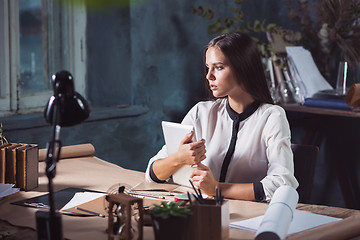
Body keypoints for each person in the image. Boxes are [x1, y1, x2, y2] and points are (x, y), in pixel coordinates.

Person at [145, 32, 298, 201]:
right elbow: (152, 173)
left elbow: (282, 184)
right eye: (207, 68)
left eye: (218, 67)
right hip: (202, 211)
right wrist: (178, 158)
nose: (209, 76)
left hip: (247, 217)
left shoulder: (272, 116)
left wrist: (216, 188)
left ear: (243, 68)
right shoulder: (200, 112)